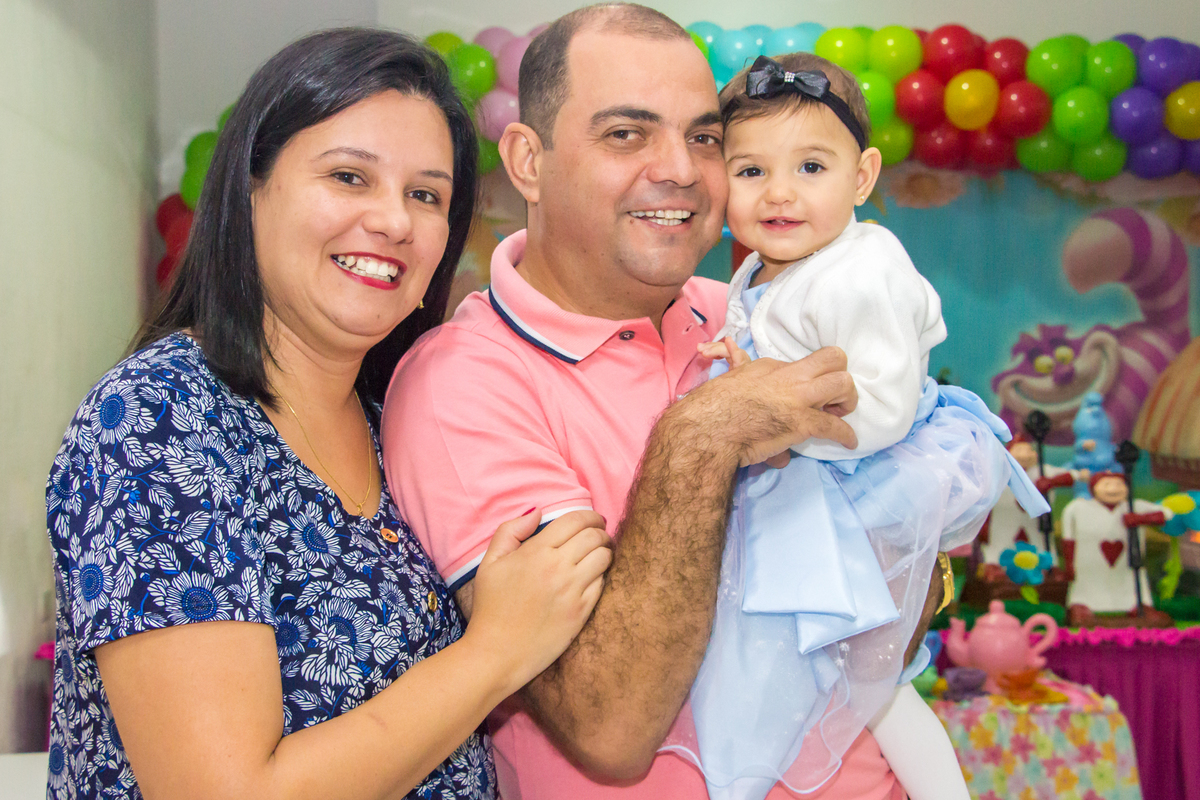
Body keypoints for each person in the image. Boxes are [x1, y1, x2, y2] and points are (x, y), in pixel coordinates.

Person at [45, 28, 614, 800]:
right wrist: (496, 650)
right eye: (349, 177)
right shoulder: (161, 418)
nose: (393, 221)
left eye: (427, 195)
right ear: (249, 190)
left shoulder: (397, 426)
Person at [383, 7, 915, 799]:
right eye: (626, 134)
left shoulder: (747, 311)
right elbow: (608, 727)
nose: (680, 169)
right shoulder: (463, 381)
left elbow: (894, 608)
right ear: (528, 161)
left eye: (705, 139)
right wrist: (700, 439)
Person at [672, 52, 1048, 800]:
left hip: (862, 477)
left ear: (864, 176)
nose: (780, 193)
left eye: (811, 167)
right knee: (813, 664)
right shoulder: (766, 267)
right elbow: (777, 352)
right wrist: (742, 362)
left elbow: (880, 406)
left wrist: (772, 418)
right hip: (809, 485)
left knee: (875, 677)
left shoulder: (862, 268)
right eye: (751, 172)